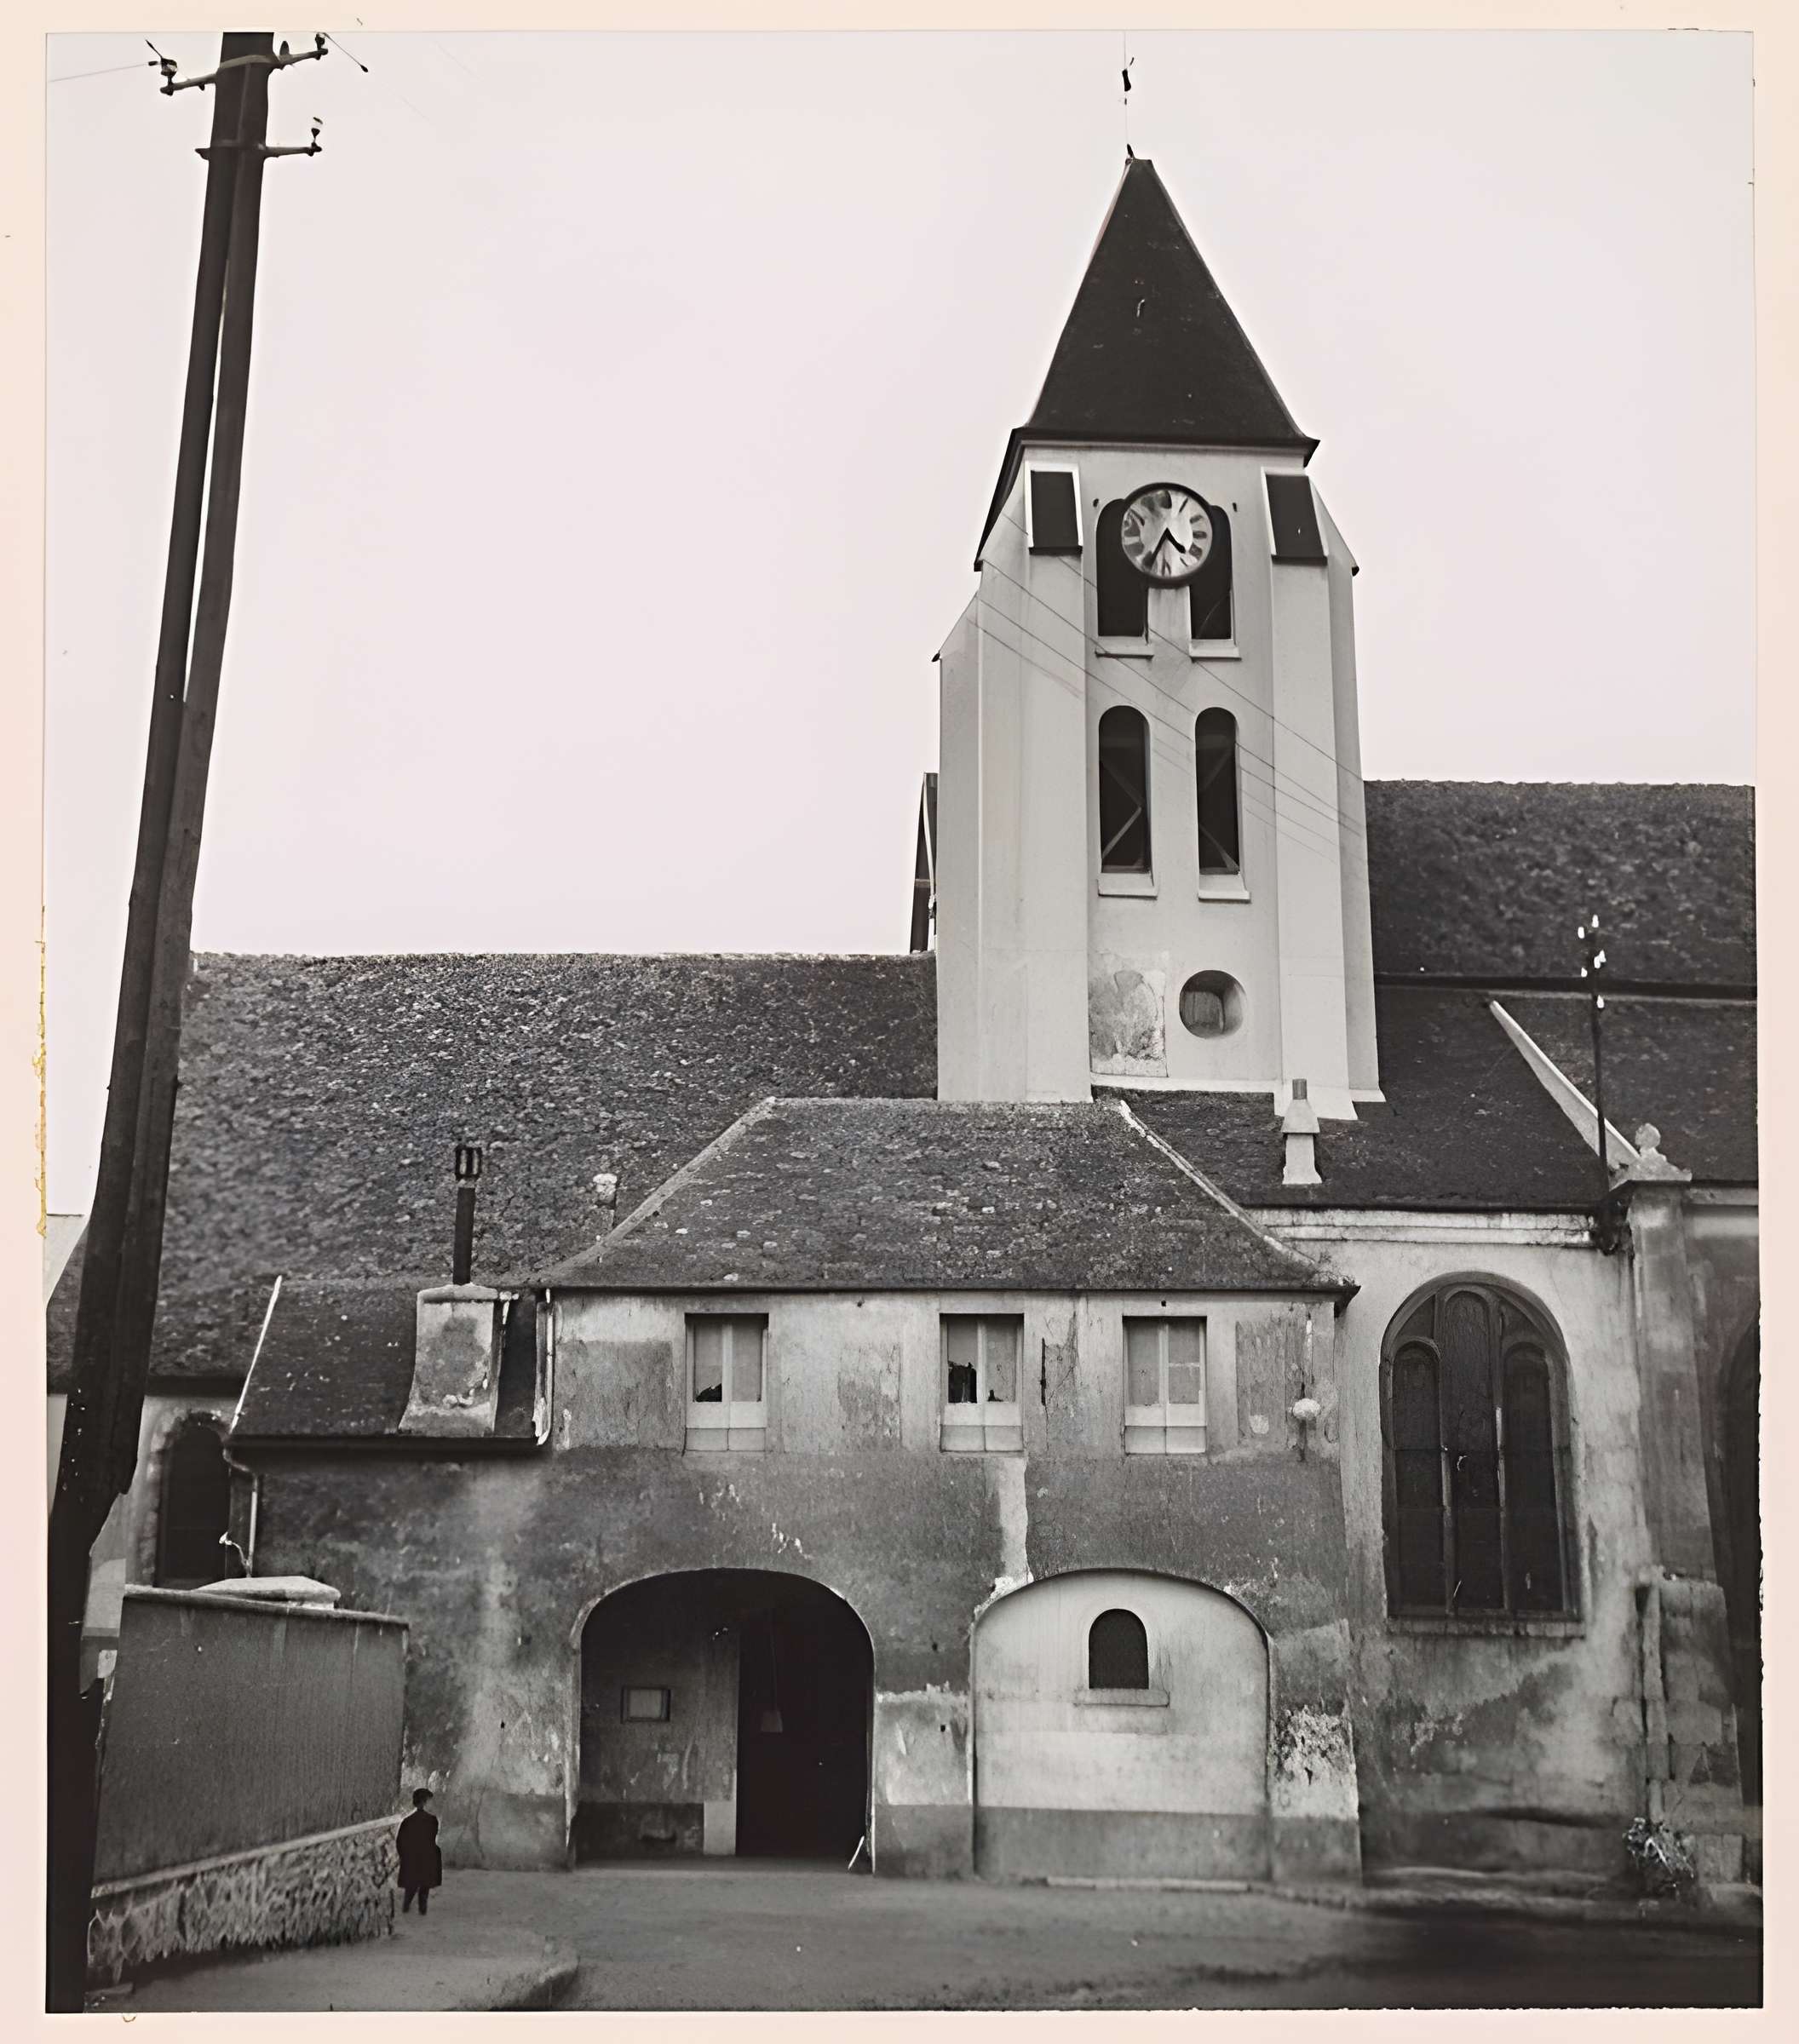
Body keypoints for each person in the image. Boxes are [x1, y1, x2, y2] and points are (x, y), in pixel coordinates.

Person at [396, 1788, 442, 1917]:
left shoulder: (407, 1821)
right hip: (427, 1858)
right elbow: (432, 1838)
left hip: (411, 1859)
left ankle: (406, 1907)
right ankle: (422, 1910)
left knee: (411, 1886)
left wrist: (404, 1856)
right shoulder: (432, 1820)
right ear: (424, 1802)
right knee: (424, 1887)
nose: (432, 1804)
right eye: (430, 1801)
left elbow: (400, 1841)